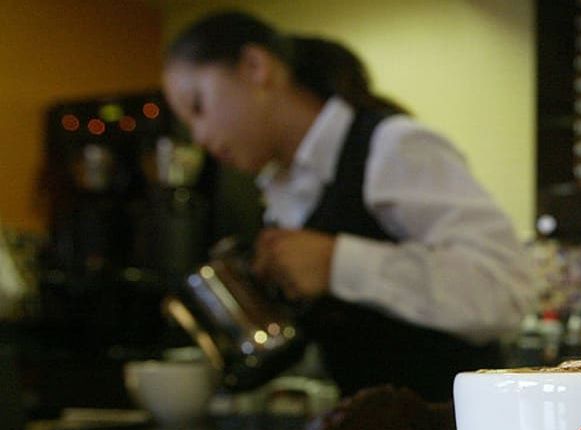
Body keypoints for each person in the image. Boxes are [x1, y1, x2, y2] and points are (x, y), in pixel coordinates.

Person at [162, 11, 535, 402]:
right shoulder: (281, 190)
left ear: (256, 67)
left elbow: (503, 292)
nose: (200, 137)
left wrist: (336, 263)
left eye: (199, 107)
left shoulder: (392, 146)